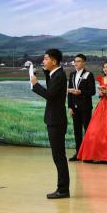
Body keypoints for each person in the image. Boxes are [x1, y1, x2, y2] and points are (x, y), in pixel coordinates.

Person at [31, 49, 70, 199]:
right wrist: (46, 72)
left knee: (59, 156)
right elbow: (51, 89)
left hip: (56, 120)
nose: (43, 61)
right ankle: (62, 188)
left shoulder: (59, 75)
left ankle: (63, 190)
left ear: (54, 61)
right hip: (54, 119)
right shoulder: (55, 74)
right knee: (58, 156)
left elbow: (50, 95)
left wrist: (35, 85)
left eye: (46, 59)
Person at [67, 54, 96, 162]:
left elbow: (92, 91)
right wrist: (70, 107)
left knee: (87, 130)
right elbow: (69, 92)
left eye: (78, 61)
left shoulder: (89, 75)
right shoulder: (72, 74)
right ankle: (78, 153)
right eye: (75, 61)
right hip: (74, 107)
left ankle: (88, 155)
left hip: (85, 107)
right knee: (77, 131)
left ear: (83, 63)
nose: (76, 63)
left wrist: (81, 92)